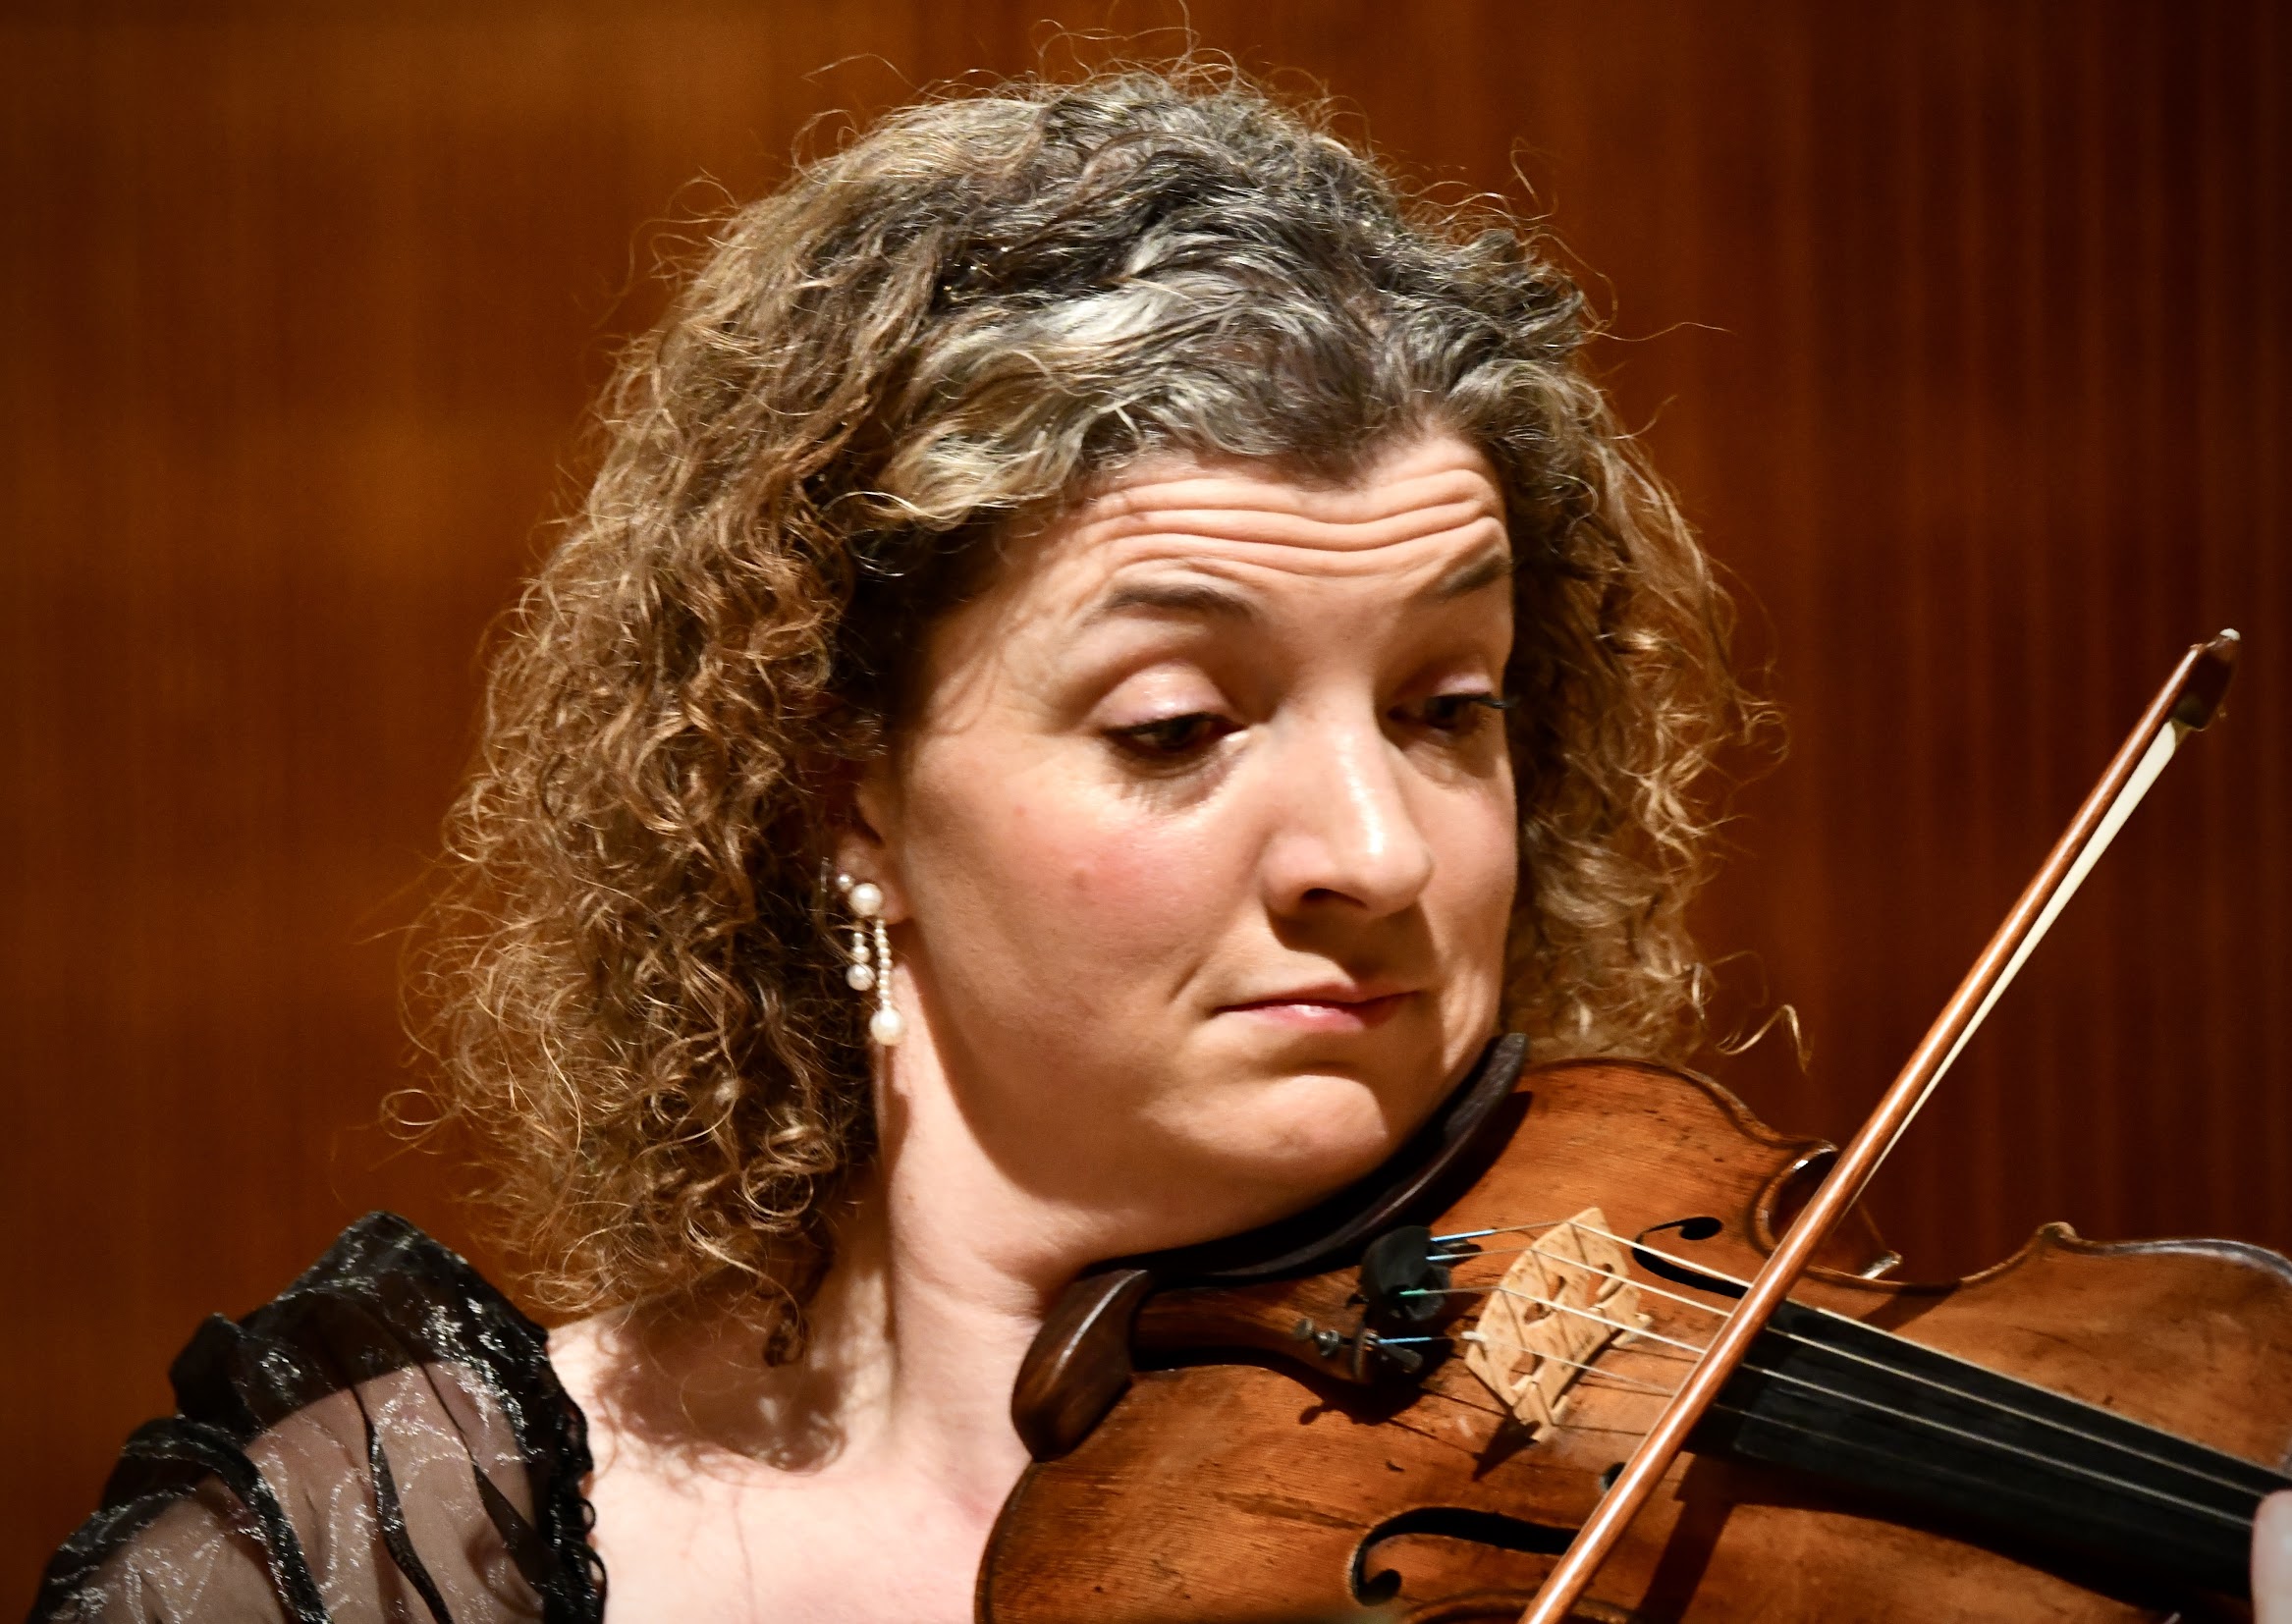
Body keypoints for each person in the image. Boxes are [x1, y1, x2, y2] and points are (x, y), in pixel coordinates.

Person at [29, 65, 2292, 1624]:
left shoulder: (1725, 1514)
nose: (1377, 847)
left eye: (1452, 707)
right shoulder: (401, 1548)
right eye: (1181, 724)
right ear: (841, 792)